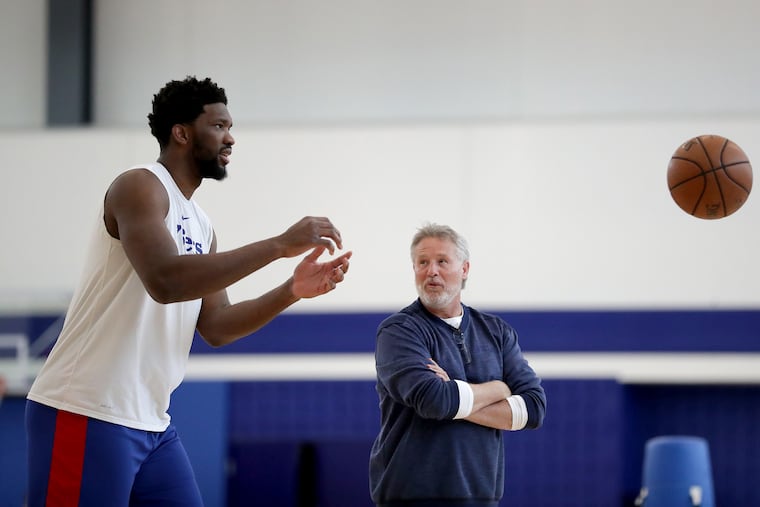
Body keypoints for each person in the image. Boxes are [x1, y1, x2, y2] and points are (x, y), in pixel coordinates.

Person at [25, 76, 352, 506]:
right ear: (181, 132)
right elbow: (166, 281)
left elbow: (217, 326)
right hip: (85, 409)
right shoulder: (139, 185)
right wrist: (277, 246)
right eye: (218, 125)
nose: (230, 137)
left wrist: (291, 290)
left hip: (152, 424)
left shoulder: (202, 223)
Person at [369, 223, 546, 507]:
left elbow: (534, 409)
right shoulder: (399, 331)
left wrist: (455, 394)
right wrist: (499, 388)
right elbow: (435, 402)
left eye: (442, 261)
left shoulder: (496, 332)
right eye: (422, 263)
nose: (431, 271)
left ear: (464, 269)